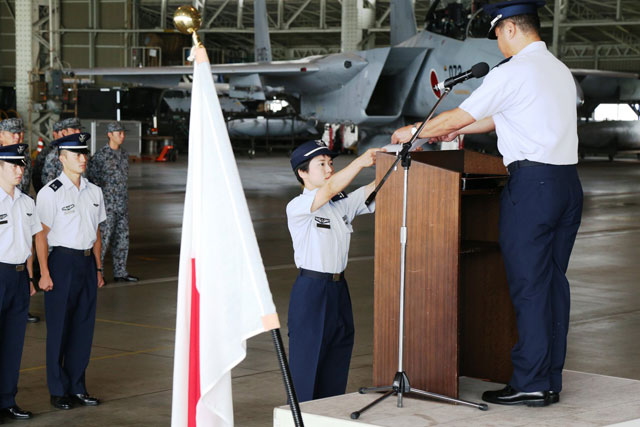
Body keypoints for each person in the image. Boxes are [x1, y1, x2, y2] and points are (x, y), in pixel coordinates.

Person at [391, 0, 583, 407]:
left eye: (496, 33)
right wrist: (446, 133)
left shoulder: (513, 71)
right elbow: (499, 117)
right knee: (551, 287)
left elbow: (460, 114)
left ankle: (530, 381)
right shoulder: (557, 70)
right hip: (566, 185)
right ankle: (547, 378)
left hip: (532, 186)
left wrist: (415, 131)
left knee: (529, 289)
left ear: (511, 29)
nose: (496, 41)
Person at [286, 140, 383, 402]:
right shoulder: (298, 207)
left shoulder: (339, 205)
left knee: (336, 358)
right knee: (307, 364)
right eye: (321, 164)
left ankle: (327, 414)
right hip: (312, 291)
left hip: (339, 289)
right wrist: (361, 161)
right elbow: (329, 189)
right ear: (302, 173)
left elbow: (375, 189)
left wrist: (399, 158)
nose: (329, 168)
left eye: (331, 163)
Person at [35, 132, 106, 410]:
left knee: (83, 328)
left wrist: (98, 268)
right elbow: (41, 235)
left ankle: (78, 386)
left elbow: (97, 232)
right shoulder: (49, 192)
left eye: (84, 153)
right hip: (61, 263)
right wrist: (43, 272)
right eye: (76, 154)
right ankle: (58, 390)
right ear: (62, 158)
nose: (83, 158)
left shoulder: (94, 191)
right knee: (59, 329)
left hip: (87, 263)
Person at [0, 143, 40, 420]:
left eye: (21, 165)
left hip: (18, 277)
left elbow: (30, 242)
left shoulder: (27, 203)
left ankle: (7, 400)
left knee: (13, 343)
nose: (20, 170)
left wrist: (29, 276)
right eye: (13, 165)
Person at [87, 122, 138, 282]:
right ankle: (97, 272)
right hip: (106, 206)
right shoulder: (100, 156)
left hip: (122, 204)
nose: (122, 136)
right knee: (103, 240)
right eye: (119, 133)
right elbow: (92, 181)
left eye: (123, 133)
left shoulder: (124, 155)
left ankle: (120, 272)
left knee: (122, 239)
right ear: (110, 134)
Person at [41, 117, 82, 187]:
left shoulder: (84, 154)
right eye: (74, 129)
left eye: (79, 129)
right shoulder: (53, 156)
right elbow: (49, 185)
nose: (78, 132)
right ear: (64, 133)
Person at [0, 118, 32, 195]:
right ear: (1, 135)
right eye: (13, 133)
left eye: (20, 132)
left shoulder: (25, 156)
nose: (17, 136)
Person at [33, 119, 65, 194]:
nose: (65, 135)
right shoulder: (47, 152)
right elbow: (36, 177)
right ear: (55, 134)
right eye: (62, 133)